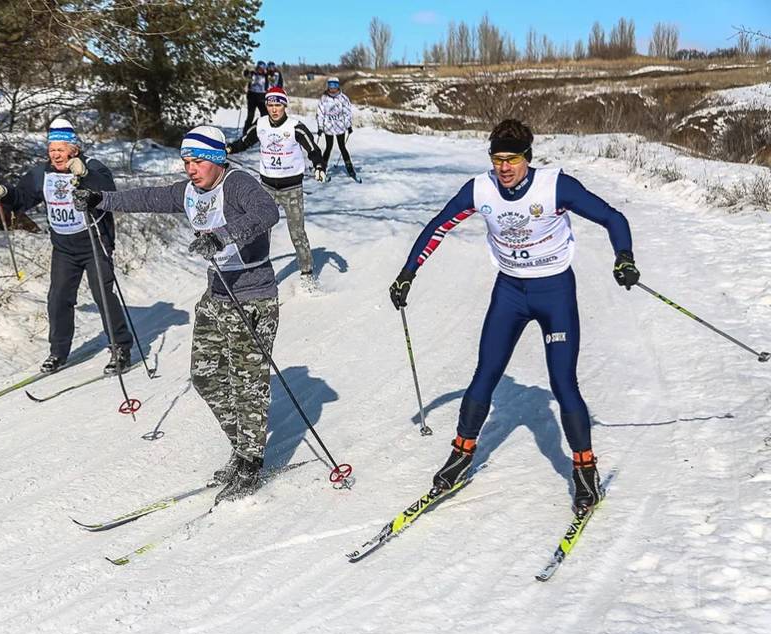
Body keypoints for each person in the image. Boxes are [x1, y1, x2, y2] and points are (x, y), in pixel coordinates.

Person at [389, 118, 639, 516]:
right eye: (497, 159)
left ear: (527, 158)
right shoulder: (480, 189)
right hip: (510, 292)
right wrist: (408, 273)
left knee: (563, 383)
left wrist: (623, 256)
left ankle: (585, 467)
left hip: (554, 292)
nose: (504, 168)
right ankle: (461, 455)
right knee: (484, 374)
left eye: (512, 159)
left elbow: (613, 218)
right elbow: (437, 226)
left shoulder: (554, 185)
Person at [71, 126, 281, 503]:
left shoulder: (237, 184)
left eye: (198, 161)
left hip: (253, 297)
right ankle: (242, 447)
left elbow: (267, 211)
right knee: (205, 377)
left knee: (247, 382)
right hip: (217, 294)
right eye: (186, 161)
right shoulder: (189, 192)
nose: (191, 168)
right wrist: (100, 198)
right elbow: (147, 196)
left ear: (217, 159)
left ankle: (251, 460)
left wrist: (224, 235)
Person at [0, 118, 135, 375]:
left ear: (74, 150)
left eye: (61, 149)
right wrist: (5, 194)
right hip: (64, 248)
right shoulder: (42, 173)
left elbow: (108, 190)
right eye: (52, 149)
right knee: (58, 298)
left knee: (102, 294)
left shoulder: (92, 167)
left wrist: (85, 176)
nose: (56, 154)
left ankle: (121, 347)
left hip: (93, 243)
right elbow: (23, 198)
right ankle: (58, 352)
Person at [227, 86, 327, 293]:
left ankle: (307, 275)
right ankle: (257, 275)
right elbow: (244, 142)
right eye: (270, 105)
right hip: (267, 188)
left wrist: (318, 165)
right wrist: (228, 148)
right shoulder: (261, 125)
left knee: (297, 232)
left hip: (292, 188)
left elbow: (313, 149)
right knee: (261, 232)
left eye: (278, 105)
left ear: (284, 106)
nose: (274, 109)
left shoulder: (295, 127)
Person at [316, 76, 356, 180]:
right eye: (330, 86)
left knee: (342, 147)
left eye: (335, 85)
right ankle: (322, 170)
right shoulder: (324, 98)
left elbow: (347, 113)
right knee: (328, 148)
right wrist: (320, 127)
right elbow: (320, 114)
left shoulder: (343, 98)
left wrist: (348, 125)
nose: (332, 88)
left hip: (339, 127)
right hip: (328, 127)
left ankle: (350, 169)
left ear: (338, 86)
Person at [241, 60, 268, 136]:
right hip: (252, 96)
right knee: (250, 116)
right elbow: (245, 74)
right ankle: (246, 133)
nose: (260, 70)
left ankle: (261, 131)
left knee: (265, 116)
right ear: (257, 67)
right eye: (259, 68)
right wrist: (246, 68)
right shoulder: (252, 74)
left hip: (261, 97)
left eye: (262, 68)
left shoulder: (266, 76)